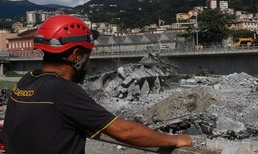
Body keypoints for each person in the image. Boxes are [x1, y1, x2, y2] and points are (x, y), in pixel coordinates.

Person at [3, 14, 193, 154]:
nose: (90, 62)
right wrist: (173, 140)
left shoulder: (27, 80)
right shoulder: (63, 92)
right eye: (88, 55)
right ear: (76, 56)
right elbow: (125, 131)